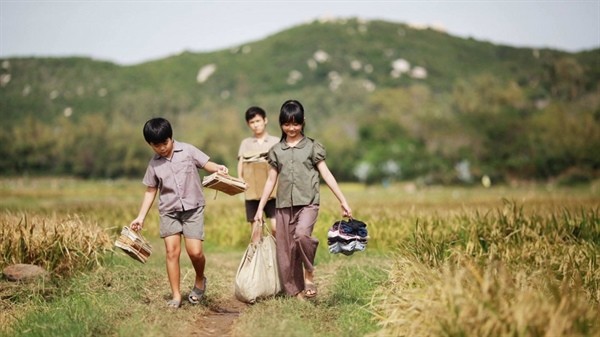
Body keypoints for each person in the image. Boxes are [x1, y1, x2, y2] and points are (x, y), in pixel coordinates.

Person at [253, 99, 352, 299]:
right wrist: (259, 209)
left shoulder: (313, 147)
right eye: (287, 124)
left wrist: (343, 200)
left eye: (296, 124)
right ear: (281, 123)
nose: (292, 128)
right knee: (286, 252)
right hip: (283, 206)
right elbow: (271, 180)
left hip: (308, 203)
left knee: (301, 236)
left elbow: (326, 174)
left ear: (303, 122)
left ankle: (309, 273)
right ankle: (295, 293)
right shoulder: (276, 151)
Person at [130, 117, 229, 309]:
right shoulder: (154, 164)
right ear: (150, 145)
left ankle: (200, 279)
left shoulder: (188, 151)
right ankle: (176, 296)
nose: (162, 148)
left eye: (165, 143)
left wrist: (219, 168)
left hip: (193, 209)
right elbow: (151, 190)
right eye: (156, 145)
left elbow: (207, 164)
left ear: (171, 137)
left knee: (195, 252)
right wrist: (140, 217)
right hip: (169, 211)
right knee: (171, 252)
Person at [237, 106, 279, 238]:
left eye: (258, 121)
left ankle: (278, 256)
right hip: (252, 193)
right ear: (248, 124)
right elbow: (241, 162)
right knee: (256, 232)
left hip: (273, 193)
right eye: (252, 122)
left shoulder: (276, 141)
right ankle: (258, 258)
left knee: (276, 227)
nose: (256, 125)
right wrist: (240, 178)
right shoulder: (246, 143)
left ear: (265, 120)